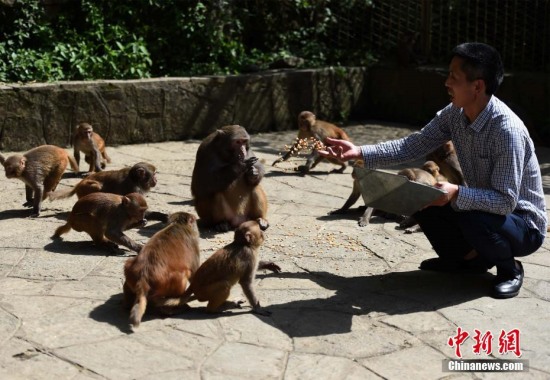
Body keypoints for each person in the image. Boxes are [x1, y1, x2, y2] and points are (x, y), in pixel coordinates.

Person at [318, 42, 547, 299]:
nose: (446, 82)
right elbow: (410, 146)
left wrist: (457, 193)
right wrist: (358, 152)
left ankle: (510, 269)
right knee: (421, 196)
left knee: (473, 216)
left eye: (454, 77)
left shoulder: (507, 131)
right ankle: (468, 263)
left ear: (478, 86)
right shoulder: (455, 114)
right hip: (486, 209)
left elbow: (505, 201)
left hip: (523, 224)